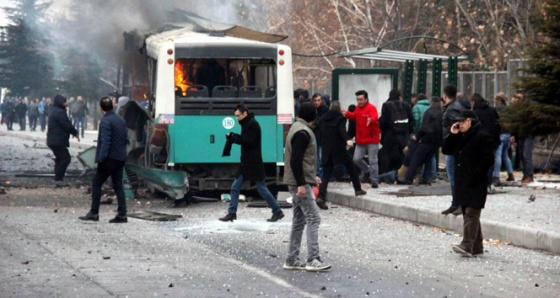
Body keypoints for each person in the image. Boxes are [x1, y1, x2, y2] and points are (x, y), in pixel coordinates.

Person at [282, 102, 331, 271]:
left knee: (299, 220)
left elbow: (300, 160)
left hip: (296, 181)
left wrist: (311, 177)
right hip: (298, 183)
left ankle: (292, 258)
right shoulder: (303, 133)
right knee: (314, 217)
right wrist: (302, 184)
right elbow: (296, 160)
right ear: (313, 116)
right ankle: (313, 259)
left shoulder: (296, 128)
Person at [219, 104, 285, 222]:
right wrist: (234, 136)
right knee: (236, 187)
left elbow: (248, 141)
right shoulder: (248, 124)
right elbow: (246, 139)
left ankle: (277, 211)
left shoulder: (252, 124)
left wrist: (233, 138)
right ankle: (232, 213)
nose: (237, 118)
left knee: (261, 188)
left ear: (244, 113)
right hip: (248, 162)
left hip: (252, 163)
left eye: (238, 116)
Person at [442, 110, 494, 257]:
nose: (460, 124)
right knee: (468, 211)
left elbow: (488, 159)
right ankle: (477, 246)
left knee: (472, 212)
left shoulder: (482, 137)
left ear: (470, 120)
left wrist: (476, 174)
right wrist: (452, 134)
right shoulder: (460, 136)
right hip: (462, 180)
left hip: (476, 180)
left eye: (462, 121)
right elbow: (446, 150)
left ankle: (466, 245)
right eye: (458, 121)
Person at [79, 97, 129, 223]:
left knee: (96, 182)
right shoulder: (121, 120)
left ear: (101, 108)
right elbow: (126, 139)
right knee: (118, 185)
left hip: (109, 158)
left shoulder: (106, 121)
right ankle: (122, 214)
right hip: (120, 157)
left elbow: (106, 142)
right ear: (112, 106)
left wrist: (101, 159)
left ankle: (94, 212)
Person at [316, 101, 366, 210]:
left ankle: (321, 197)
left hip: (326, 149)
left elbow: (318, 131)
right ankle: (357, 189)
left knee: (326, 175)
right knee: (351, 166)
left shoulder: (323, 119)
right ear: (339, 109)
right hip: (338, 149)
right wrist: (348, 140)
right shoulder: (340, 118)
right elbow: (342, 131)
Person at [440, 85, 470, 215]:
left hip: (453, 147)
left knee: (454, 177)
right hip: (456, 147)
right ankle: (455, 203)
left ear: (445, 95)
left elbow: (457, 127)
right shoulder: (458, 106)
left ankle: (458, 204)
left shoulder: (452, 109)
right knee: (455, 176)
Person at [399, 96, 443, 185]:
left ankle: (408, 178)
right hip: (436, 141)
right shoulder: (441, 113)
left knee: (416, 158)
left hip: (426, 139)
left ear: (431, 103)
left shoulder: (428, 112)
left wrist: (418, 136)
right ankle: (426, 179)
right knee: (428, 159)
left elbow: (424, 127)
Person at [344, 90, 381, 188]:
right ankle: (368, 171)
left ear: (366, 99)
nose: (359, 102)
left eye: (361, 99)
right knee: (356, 159)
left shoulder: (371, 108)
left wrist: (371, 120)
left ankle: (374, 181)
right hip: (360, 139)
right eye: (357, 100)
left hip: (371, 139)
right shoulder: (357, 108)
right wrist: (346, 113)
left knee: (373, 160)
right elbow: (353, 116)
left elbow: (374, 117)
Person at [46, 95, 80, 187]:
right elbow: (66, 125)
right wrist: (75, 133)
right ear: (60, 102)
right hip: (57, 140)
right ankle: (58, 179)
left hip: (54, 139)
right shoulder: (59, 112)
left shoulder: (55, 110)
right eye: (64, 102)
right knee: (66, 158)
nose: (66, 103)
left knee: (59, 158)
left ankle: (57, 178)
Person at [470, 93, 500, 191]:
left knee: (479, 163)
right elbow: (498, 124)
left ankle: (481, 184)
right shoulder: (492, 110)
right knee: (490, 162)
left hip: (480, 141)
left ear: (473, 102)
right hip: (493, 140)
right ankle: (489, 183)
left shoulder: (475, 113)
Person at [378, 89, 413, 174]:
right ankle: (399, 175)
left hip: (390, 135)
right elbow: (411, 120)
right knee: (401, 156)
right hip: (404, 136)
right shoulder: (406, 105)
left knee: (386, 155)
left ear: (390, 96)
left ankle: (385, 174)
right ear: (399, 96)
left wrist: (383, 132)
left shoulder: (386, 105)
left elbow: (383, 121)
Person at [510, 91, 534, 183]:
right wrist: (512, 134)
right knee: (521, 155)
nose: (516, 100)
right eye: (515, 97)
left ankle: (529, 175)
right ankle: (525, 174)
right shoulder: (514, 110)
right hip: (520, 135)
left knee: (526, 155)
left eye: (519, 98)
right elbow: (513, 123)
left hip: (528, 134)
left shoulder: (527, 110)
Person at [492, 92, 514, 184]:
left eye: (496, 99)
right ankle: (510, 174)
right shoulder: (509, 110)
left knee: (498, 155)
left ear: (500, 100)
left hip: (500, 135)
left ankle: (496, 176)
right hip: (508, 135)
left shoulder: (496, 109)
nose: (495, 101)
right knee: (505, 155)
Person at [312, 93, 329, 179]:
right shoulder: (313, 110)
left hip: (322, 136)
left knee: (320, 156)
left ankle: (320, 175)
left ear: (322, 101)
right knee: (317, 156)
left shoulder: (325, 110)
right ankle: (318, 174)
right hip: (316, 136)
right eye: (315, 100)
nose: (317, 102)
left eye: (318, 100)